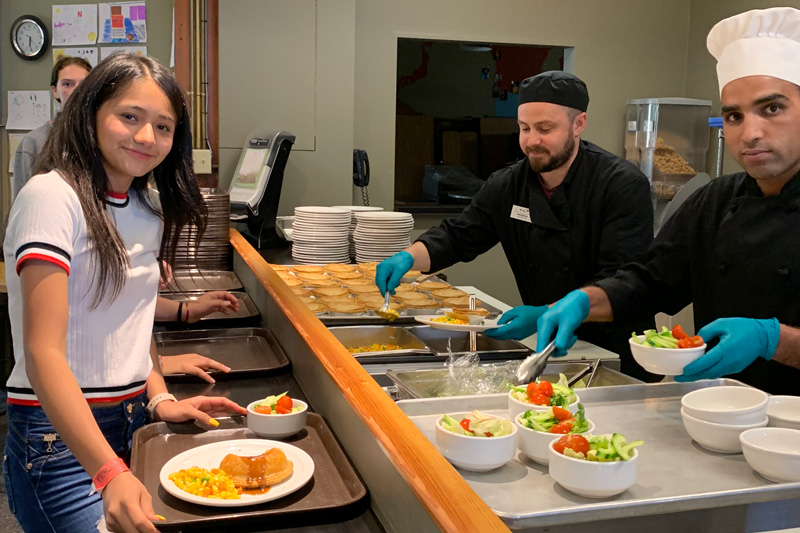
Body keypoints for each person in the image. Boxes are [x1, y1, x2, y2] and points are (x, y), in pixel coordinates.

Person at [3, 53, 247, 533]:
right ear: (91, 112)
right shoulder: (50, 197)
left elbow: (134, 320)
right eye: (129, 117)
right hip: (57, 438)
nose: (145, 137)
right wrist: (108, 470)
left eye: (163, 126)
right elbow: (42, 352)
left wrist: (159, 399)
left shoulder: (147, 209)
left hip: (134, 421)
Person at [533, 7, 800, 395]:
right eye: (734, 116)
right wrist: (584, 301)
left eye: (772, 108)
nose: (751, 133)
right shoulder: (715, 200)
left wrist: (772, 340)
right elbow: (650, 280)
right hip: (716, 411)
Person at [377, 71, 656, 379]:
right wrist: (408, 257)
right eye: (524, 128)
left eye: (545, 128)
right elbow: (459, 235)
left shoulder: (621, 185)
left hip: (619, 355)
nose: (531, 141)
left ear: (579, 124)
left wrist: (545, 312)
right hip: (549, 349)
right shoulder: (509, 183)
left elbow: (625, 284)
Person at [12, 56, 92, 201]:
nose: (76, 90)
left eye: (84, 84)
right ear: (55, 91)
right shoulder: (34, 143)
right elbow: (21, 204)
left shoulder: (104, 139)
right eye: (68, 84)